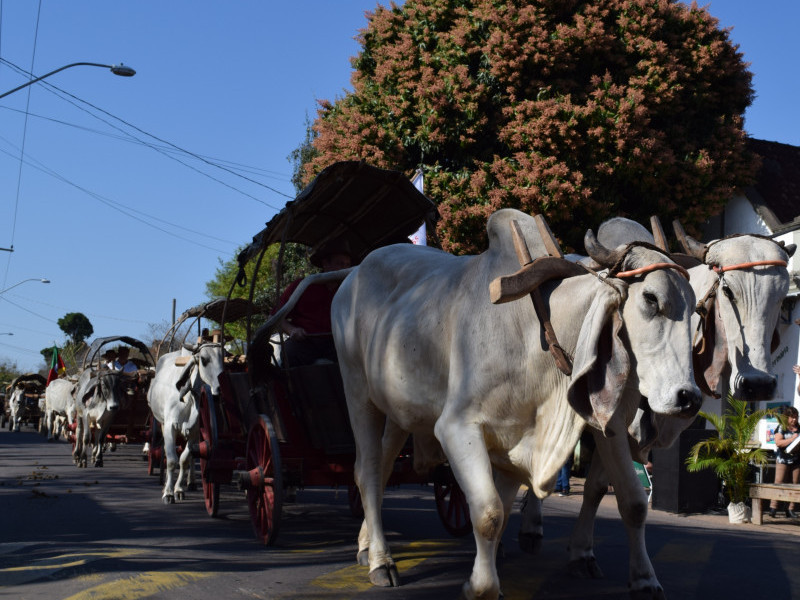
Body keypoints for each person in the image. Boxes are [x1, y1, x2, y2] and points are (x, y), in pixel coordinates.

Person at [272, 237, 353, 368]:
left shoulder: (350, 289)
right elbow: (276, 317)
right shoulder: (303, 286)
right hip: (305, 342)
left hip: (336, 344)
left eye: (347, 265)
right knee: (289, 352)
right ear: (326, 264)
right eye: (340, 264)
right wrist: (292, 330)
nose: (345, 269)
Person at [770, 404, 800, 519]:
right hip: (783, 458)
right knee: (779, 481)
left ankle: (790, 509)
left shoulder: (799, 428)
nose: (794, 419)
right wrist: (792, 439)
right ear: (786, 417)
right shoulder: (781, 427)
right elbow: (778, 442)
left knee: (794, 483)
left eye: (796, 417)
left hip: (796, 459)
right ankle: (773, 507)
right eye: (792, 417)